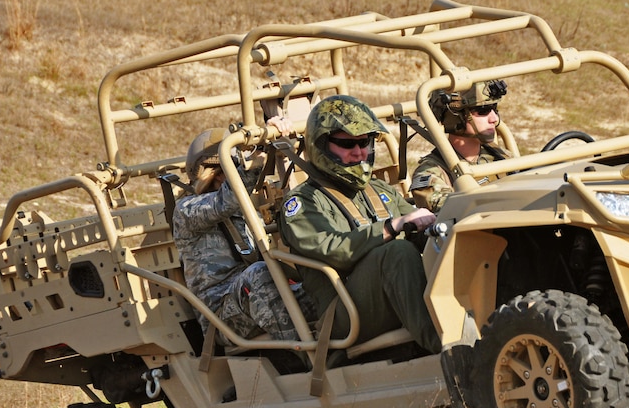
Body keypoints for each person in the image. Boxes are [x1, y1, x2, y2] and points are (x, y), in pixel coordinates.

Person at [279, 95, 442, 355]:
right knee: (397, 253)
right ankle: (449, 349)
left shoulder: (378, 189)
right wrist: (391, 227)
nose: (359, 152)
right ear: (321, 145)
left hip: (389, 292)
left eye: (364, 142)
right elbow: (335, 251)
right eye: (347, 144)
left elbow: (420, 226)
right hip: (345, 313)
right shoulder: (302, 202)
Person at [173, 124, 315, 345]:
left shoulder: (244, 203)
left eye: (234, 167)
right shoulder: (186, 211)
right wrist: (258, 154)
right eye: (224, 171)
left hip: (261, 295)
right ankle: (309, 358)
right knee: (258, 274)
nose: (227, 177)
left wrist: (275, 137)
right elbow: (225, 201)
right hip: (223, 317)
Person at [410, 79, 510, 212]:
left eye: (494, 109)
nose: (494, 119)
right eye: (483, 111)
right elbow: (454, 209)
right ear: (456, 118)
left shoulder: (500, 156)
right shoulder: (432, 172)